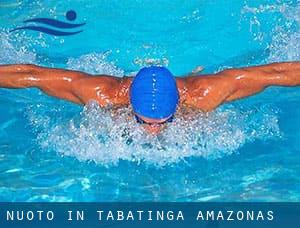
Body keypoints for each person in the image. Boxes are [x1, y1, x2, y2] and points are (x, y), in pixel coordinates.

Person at [0, 62, 299, 134]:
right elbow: (31, 75)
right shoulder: (101, 93)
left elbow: (273, 74)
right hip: (117, 85)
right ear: (130, 105)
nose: (153, 131)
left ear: (177, 107)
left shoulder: (204, 94)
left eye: (163, 122)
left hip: (191, 84)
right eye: (143, 121)